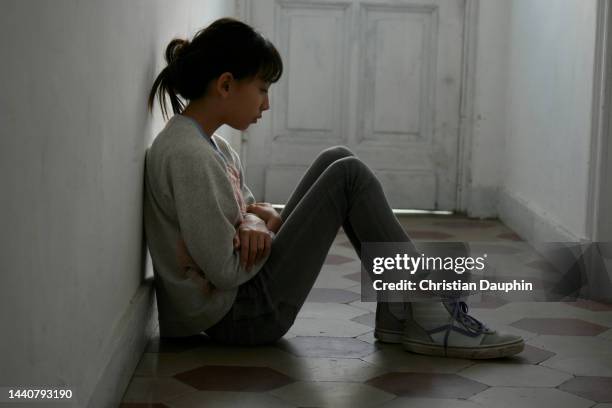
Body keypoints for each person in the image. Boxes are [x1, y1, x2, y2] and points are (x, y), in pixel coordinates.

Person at [143, 17, 524, 359]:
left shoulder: (214, 145)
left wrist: (256, 224)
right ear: (226, 85)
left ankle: (397, 309)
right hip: (239, 314)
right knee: (348, 176)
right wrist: (260, 225)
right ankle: (429, 312)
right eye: (261, 89)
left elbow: (250, 212)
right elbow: (226, 270)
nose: (267, 104)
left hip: (241, 300)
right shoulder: (188, 156)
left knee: (336, 157)